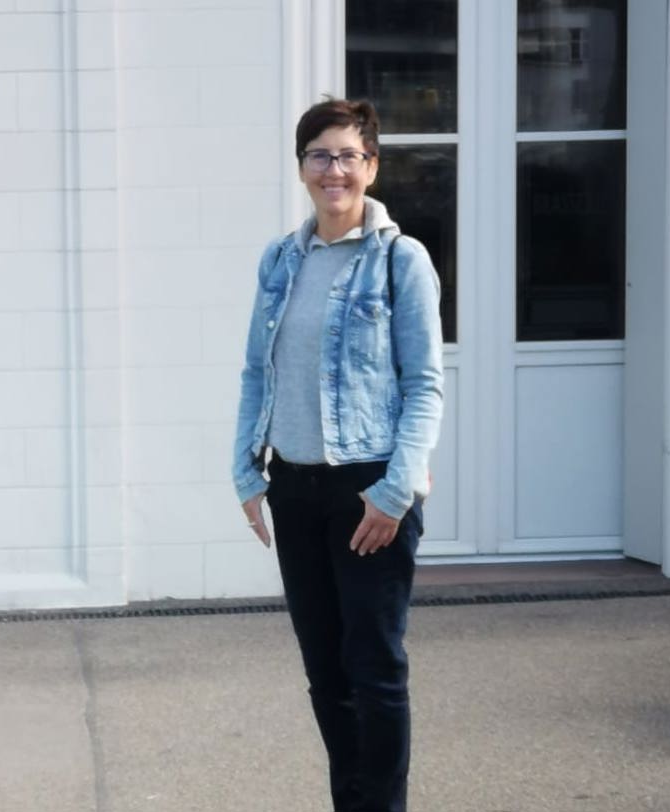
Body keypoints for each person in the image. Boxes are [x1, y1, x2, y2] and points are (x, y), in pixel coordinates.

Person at [232, 97, 444, 812]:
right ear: (302, 168)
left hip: (369, 490)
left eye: (349, 155)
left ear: (372, 166)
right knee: (325, 672)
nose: (335, 170)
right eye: (320, 155)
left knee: (374, 670)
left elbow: (424, 384)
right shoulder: (280, 260)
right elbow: (257, 372)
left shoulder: (399, 260)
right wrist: (246, 471)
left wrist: (395, 492)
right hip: (294, 490)